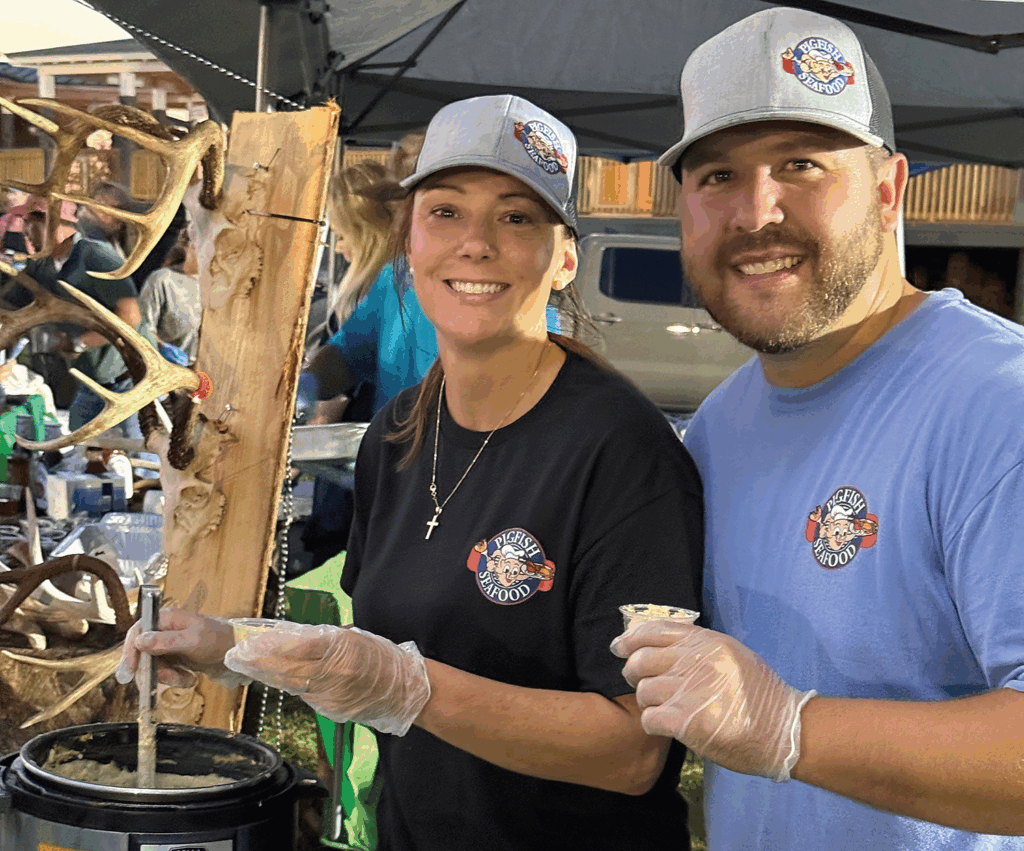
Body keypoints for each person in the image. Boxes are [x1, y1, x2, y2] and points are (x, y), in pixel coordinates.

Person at [118, 94, 704, 850]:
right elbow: (384, 651)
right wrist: (229, 643)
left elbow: (633, 752)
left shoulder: (623, 453)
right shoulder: (396, 434)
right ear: (409, 244)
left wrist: (409, 687)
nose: (477, 244)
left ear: (564, 260)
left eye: (518, 217)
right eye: (447, 212)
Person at [611, 7, 1024, 850]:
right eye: (717, 175)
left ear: (887, 188)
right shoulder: (718, 428)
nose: (757, 212)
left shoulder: (998, 402)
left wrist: (789, 726)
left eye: (801, 164)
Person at [17, 203, 152, 437]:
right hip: (92, 382)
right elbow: (11, 298)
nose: (24, 230)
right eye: (24, 222)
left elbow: (130, 316)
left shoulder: (95, 256)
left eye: (32, 222)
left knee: (141, 453)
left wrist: (79, 342)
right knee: (79, 452)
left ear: (59, 225)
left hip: (132, 381)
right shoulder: (42, 265)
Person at [137, 225, 202, 363]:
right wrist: (162, 347)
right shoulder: (163, 280)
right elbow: (142, 329)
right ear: (191, 245)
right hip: (164, 370)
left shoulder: (218, 290)